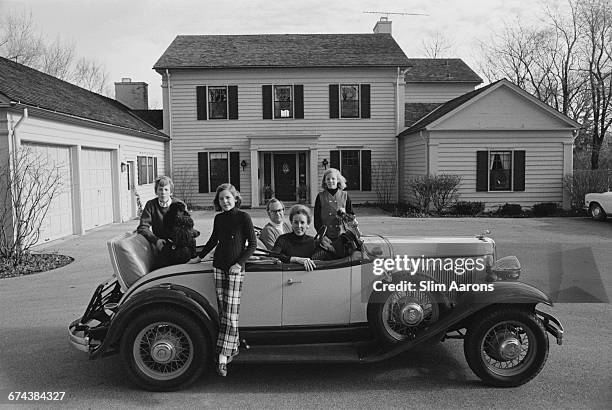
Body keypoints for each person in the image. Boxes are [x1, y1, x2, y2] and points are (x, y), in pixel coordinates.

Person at [187, 183, 256, 377]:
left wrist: (239, 264)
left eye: (228, 198)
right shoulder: (218, 218)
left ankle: (223, 357)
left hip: (235, 270)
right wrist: (199, 257)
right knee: (223, 310)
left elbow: (252, 245)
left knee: (231, 314)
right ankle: (231, 349)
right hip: (218, 267)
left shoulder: (244, 217)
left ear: (235, 199)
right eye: (221, 199)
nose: (224, 202)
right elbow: (213, 240)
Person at [137, 176, 184, 260]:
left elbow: (186, 227)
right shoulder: (151, 205)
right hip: (161, 243)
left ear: (171, 192)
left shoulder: (179, 204)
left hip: (179, 244)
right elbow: (143, 227)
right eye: (160, 189)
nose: (163, 192)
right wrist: (156, 240)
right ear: (156, 191)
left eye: (166, 190)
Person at [271, 204, 320, 271]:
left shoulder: (314, 242)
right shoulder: (282, 239)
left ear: (308, 224)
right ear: (291, 223)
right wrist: (296, 259)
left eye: (302, 222)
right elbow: (273, 256)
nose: (299, 226)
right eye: (296, 222)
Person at [314, 168, 355, 240]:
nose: (330, 181)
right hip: (325, 235)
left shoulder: (344, 195)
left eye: (333, 178)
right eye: (328, 179)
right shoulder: (320, 196)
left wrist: (345, 214)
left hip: (342, 235)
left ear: (338, 180)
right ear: (325, 181)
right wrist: (321, 234)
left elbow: (351, 217)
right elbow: (317, 218)